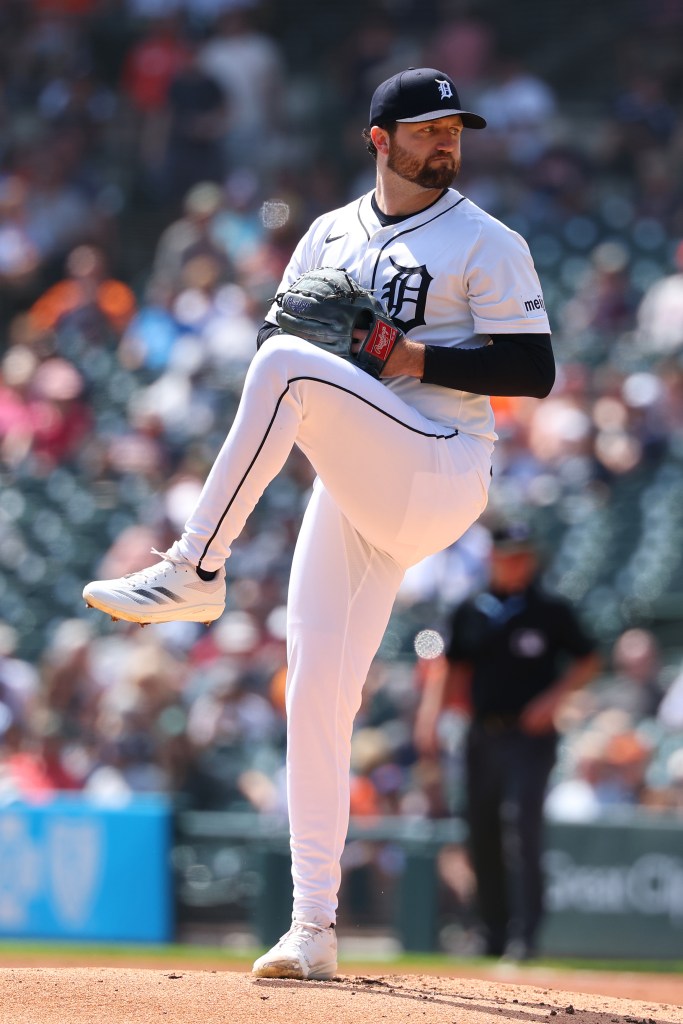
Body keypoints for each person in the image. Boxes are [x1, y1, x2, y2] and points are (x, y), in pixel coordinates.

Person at [83, 67, 555, 979]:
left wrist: (402, 350)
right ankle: (311, 929)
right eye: (425, 129)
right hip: (361, 476)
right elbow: (276, 351)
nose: (445, 142)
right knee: (314, 692)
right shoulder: (327, 236)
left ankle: (195, 568)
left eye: (454, 127)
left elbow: (533, 372)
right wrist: (338, 357)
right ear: (380, 140)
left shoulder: (487, 242)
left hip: (443, 461)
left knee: (293, 370)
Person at [414, 522, 601, 961]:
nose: (519, 563)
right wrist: (429, 720)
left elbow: (589, 658)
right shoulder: (470, 609)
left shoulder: (549, 609)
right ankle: (491, 932)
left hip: (530, 737)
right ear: (493, 558)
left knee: (522, 827)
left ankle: (525, 935)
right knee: (481, 831)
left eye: (525, 554)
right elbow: (452, 669)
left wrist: (552, 700)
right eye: (510, 554)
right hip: (481, 734)